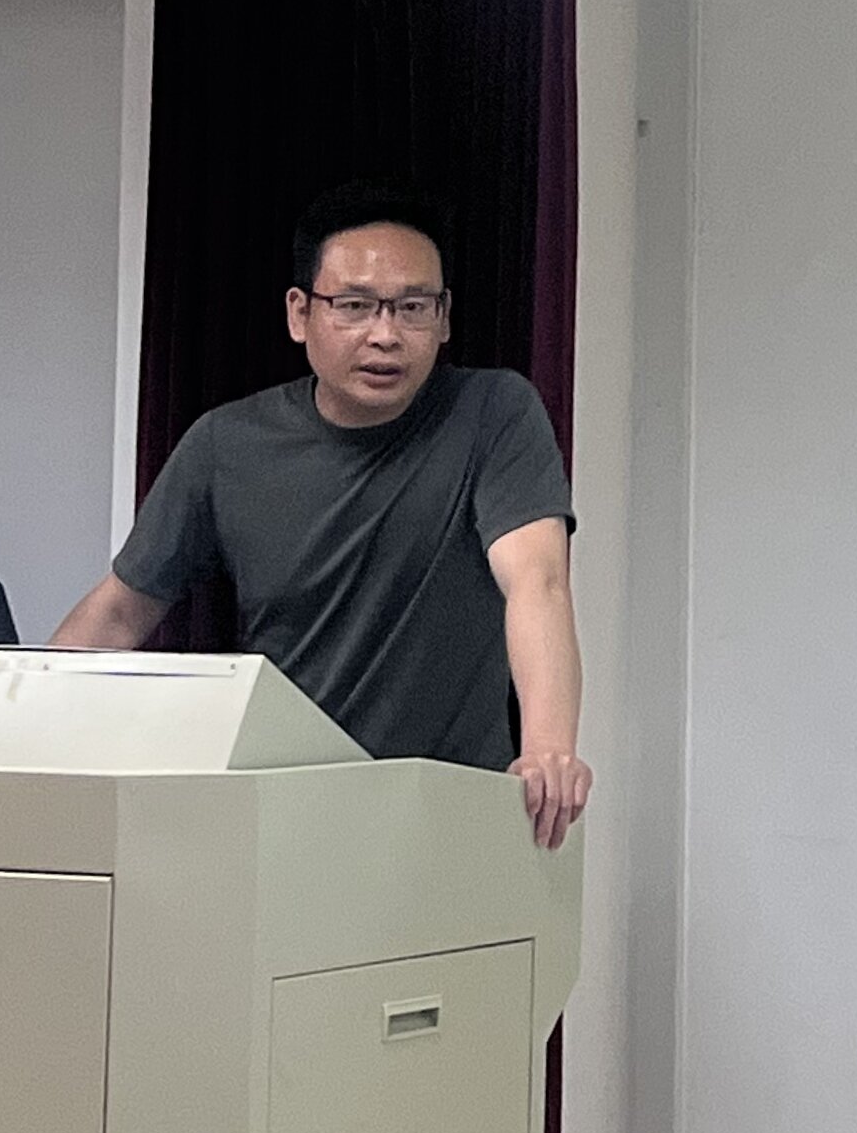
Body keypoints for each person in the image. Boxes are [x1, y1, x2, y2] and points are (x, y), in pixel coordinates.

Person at [51, 183, 593, 847]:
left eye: (413, 308)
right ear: (300, 313)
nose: (385, 335)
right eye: (356, 306)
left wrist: (547, 750)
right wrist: (32, 734)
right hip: (286, 813)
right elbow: (119, 612)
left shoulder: (492, 414)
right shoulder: (227, 446)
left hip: (449, 810)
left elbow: (538, 579)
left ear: (445, 318)